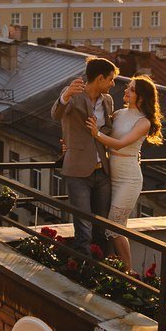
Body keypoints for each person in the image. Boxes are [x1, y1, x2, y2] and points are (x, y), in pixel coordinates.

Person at [85, 75, 163, 268]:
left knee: (115, 228)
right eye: (128, 87)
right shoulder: (119, 114)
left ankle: (129, 273)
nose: (126, 91)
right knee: (114, 228)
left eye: (132, 89)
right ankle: (119, 270)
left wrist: (97, 133)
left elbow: (119, 145)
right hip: (111, 176)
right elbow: (97, 129)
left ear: (142, 97)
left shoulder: (143, 122)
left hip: (129, 180)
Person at [51, 57, 118, 255]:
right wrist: (65, 96)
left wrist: (98, 130)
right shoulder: (73, 94)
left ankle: (102, 269)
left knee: (101, 226)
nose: (113, 84)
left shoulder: (108, 100)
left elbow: (108, 129)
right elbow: (56, 114)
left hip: (102, 172)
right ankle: (83, 270)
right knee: (84, 228)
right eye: (111, 79)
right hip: (78, 172)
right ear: (99, 78)